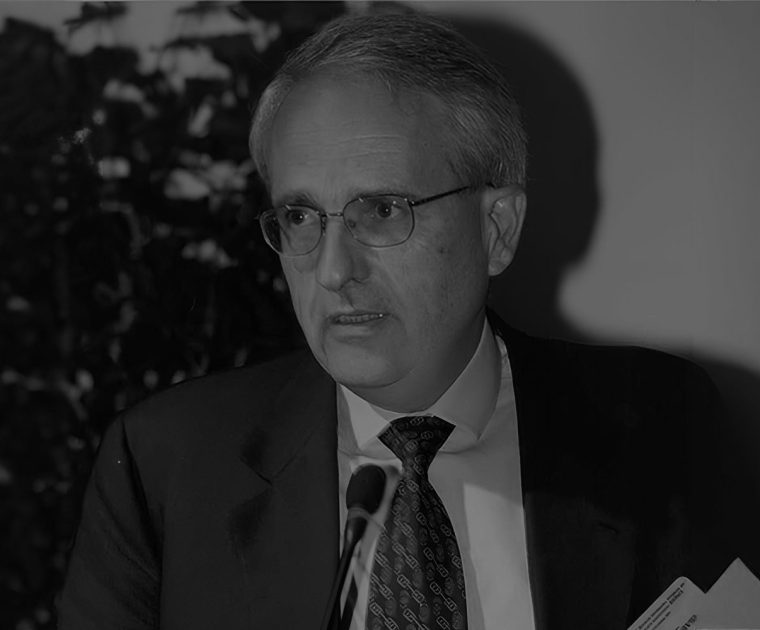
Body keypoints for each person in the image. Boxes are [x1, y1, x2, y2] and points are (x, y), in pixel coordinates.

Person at [57, 11, 758, 630]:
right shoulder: (166, 467)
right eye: (300, 216)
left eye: (383, 210)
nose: (333, 269)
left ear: (497, 228)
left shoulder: (661, 426)